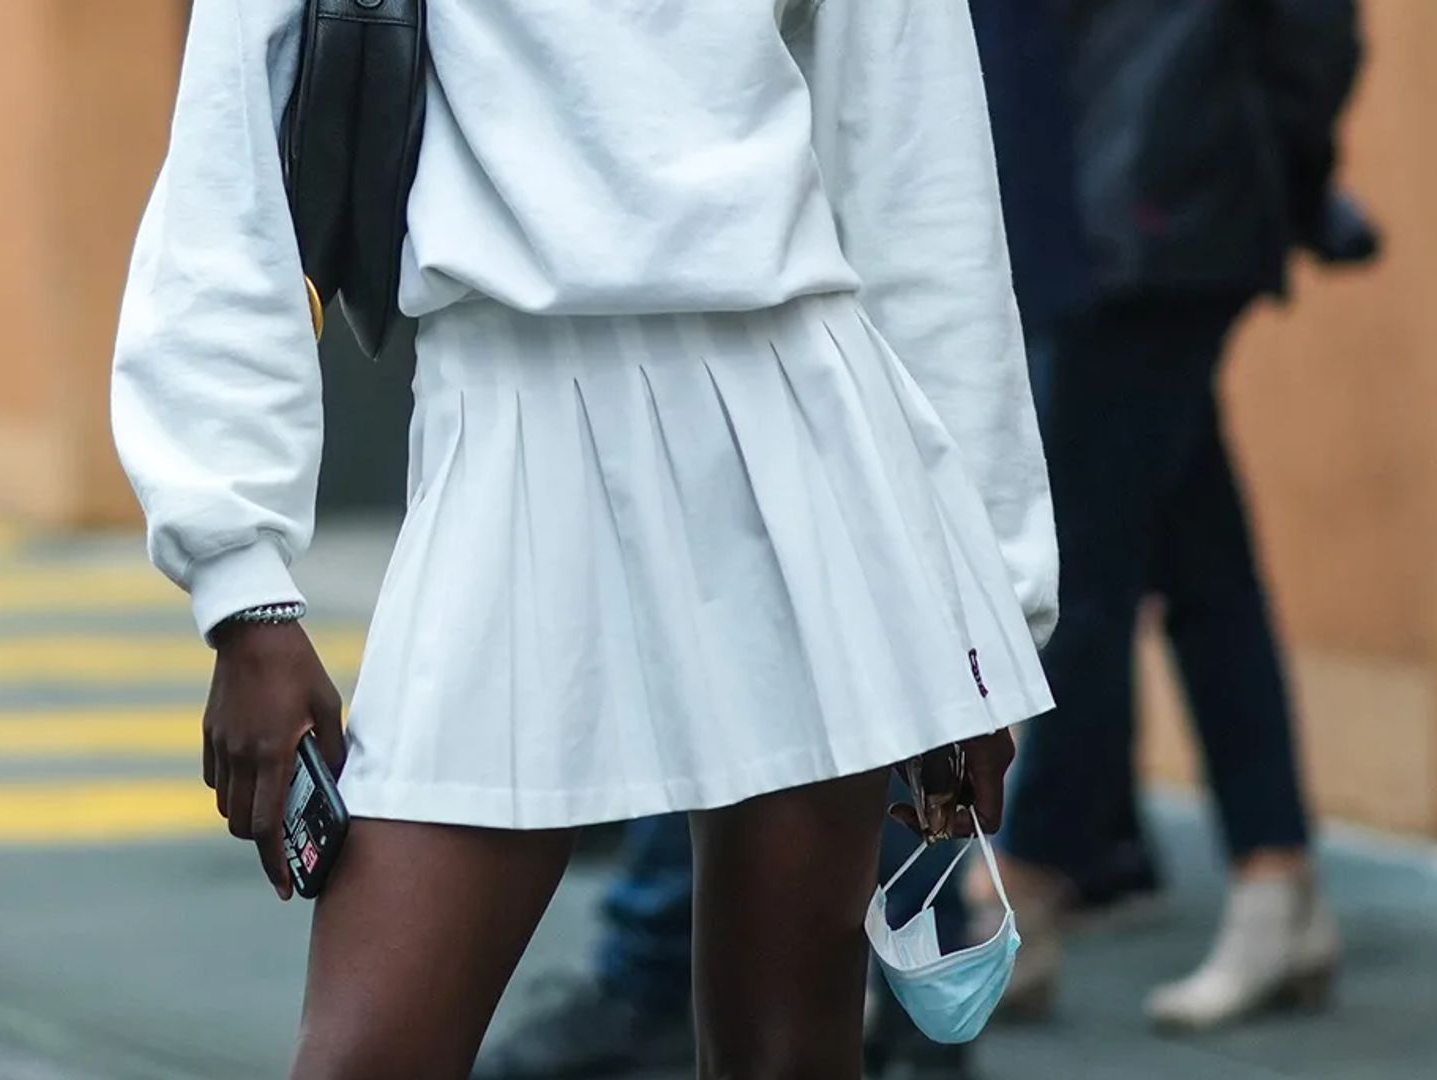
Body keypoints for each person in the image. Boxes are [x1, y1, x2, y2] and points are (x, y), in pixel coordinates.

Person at [111, 2, 1056, 1076]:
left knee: (788, 1052)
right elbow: (228, 174)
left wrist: (976, 613)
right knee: (367, 1055)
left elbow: (919, 180)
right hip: (509, 434)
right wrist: (242, 587)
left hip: (794, 426)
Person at [470, 3, 1087, 1077]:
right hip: (511, 409)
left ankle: (695, 972)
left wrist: (983, 623)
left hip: (798, 395)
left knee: (793, 969)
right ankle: (676, 968)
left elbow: (923, 208)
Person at [987, 0, 1364, 1030]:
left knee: (1079, 573)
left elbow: (1313, 34)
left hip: (1146, 214)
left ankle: (1020, 888)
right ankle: (1276, 881)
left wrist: (1269, 172)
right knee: (1200, 562)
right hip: (1095, 210)